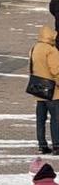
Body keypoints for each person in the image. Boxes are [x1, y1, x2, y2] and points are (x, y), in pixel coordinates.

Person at [34, 26, 59, 154]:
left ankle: (42, 144)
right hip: (52, 89)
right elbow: (55, 70)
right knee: (55, 118)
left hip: (39, 87)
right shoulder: (51, 50)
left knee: (40, 119)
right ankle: (57, 145)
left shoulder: (35, 48)